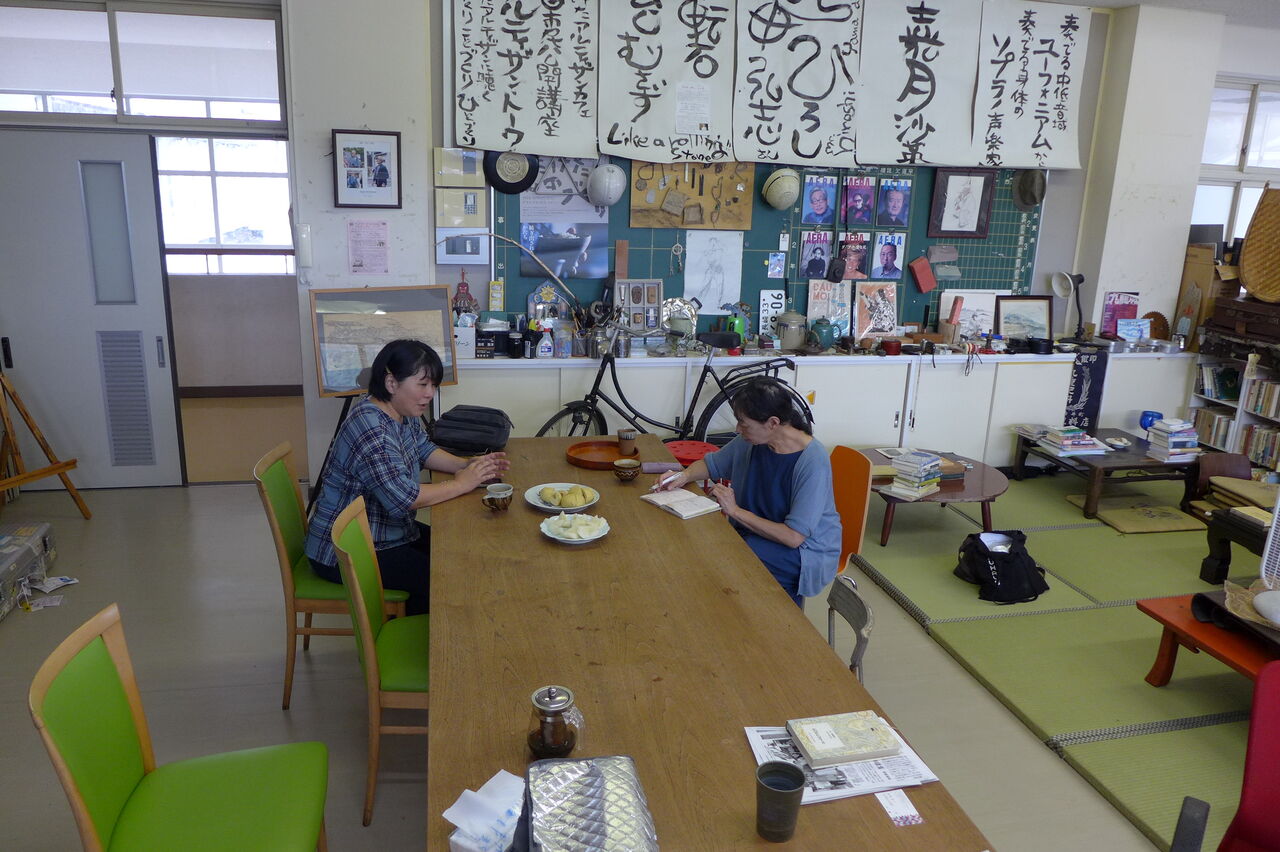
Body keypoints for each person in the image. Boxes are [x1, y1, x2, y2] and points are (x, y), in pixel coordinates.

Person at [304, 339, 509, 615]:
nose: (430, 394)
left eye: (433, 385)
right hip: (345, 551)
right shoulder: (371, 428)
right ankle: (408, 628)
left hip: (386, 533)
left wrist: (466, 466)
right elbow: (404, 499)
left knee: (457, 552)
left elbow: (423, 449)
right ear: (391, 383)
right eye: (422, 384)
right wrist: (462, 483)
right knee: (446, 578)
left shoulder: (399, 411)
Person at [653, 377, 841, 606]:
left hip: (803, 553)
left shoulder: (812, 462)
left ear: (772, 423)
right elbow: (713, 464)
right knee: (705, 546)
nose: (737, 429)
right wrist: (683, 476)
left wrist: (734, 511)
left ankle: (777, 622)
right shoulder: (752, 440)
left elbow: (793, 537)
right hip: (754, 534)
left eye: (743, 423)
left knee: (724, 560)